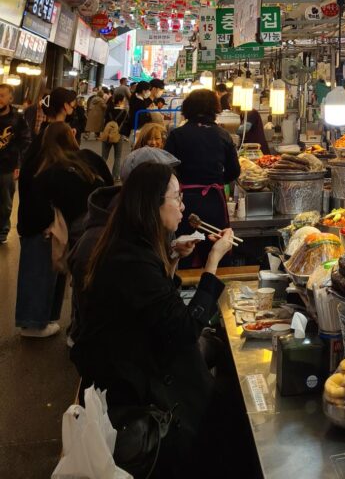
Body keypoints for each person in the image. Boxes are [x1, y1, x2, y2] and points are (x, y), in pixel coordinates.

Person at [73, 162, 233, 479]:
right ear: (153, 204)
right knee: (216, 402)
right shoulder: (129, 258)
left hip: (134, 362)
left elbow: (155, 307)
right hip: (134, 387)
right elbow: (183, 330)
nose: (183, 206)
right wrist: (212, 262)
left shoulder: (127, 242)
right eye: (176, 197)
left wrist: (172, 259)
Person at [68, 147, 181, 348]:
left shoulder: (146, 224)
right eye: (172, 192)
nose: (181, 204)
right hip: (112, 350)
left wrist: (174, 256)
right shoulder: (106, 237)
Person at [15, 120, 111, 337]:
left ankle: (34, 322)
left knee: (43, 274)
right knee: (80, 279)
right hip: (91, 228)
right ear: (72, 136)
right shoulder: (88, 161)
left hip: (48, 228)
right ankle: (75, 329)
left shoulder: (41, 166)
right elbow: (105, 186)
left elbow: (33, 202)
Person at [165, 90, 240, 268]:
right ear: (215, 109)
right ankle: (214, 287)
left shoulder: (177, 134)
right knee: (216, 245)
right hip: (214, 200)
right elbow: (235, 171)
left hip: (184, 202)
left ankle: (181, 288)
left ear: (188, 108)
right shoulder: (223, 135)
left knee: (184, 247)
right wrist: (218, 181)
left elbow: (167, 169)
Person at [0, 83, 31, 245]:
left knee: (5, 202)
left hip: (7, 166)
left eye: (2, 95)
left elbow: (25, 142)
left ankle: (3, 230)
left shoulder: (17, 119)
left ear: (10, 98)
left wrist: (19, 164)